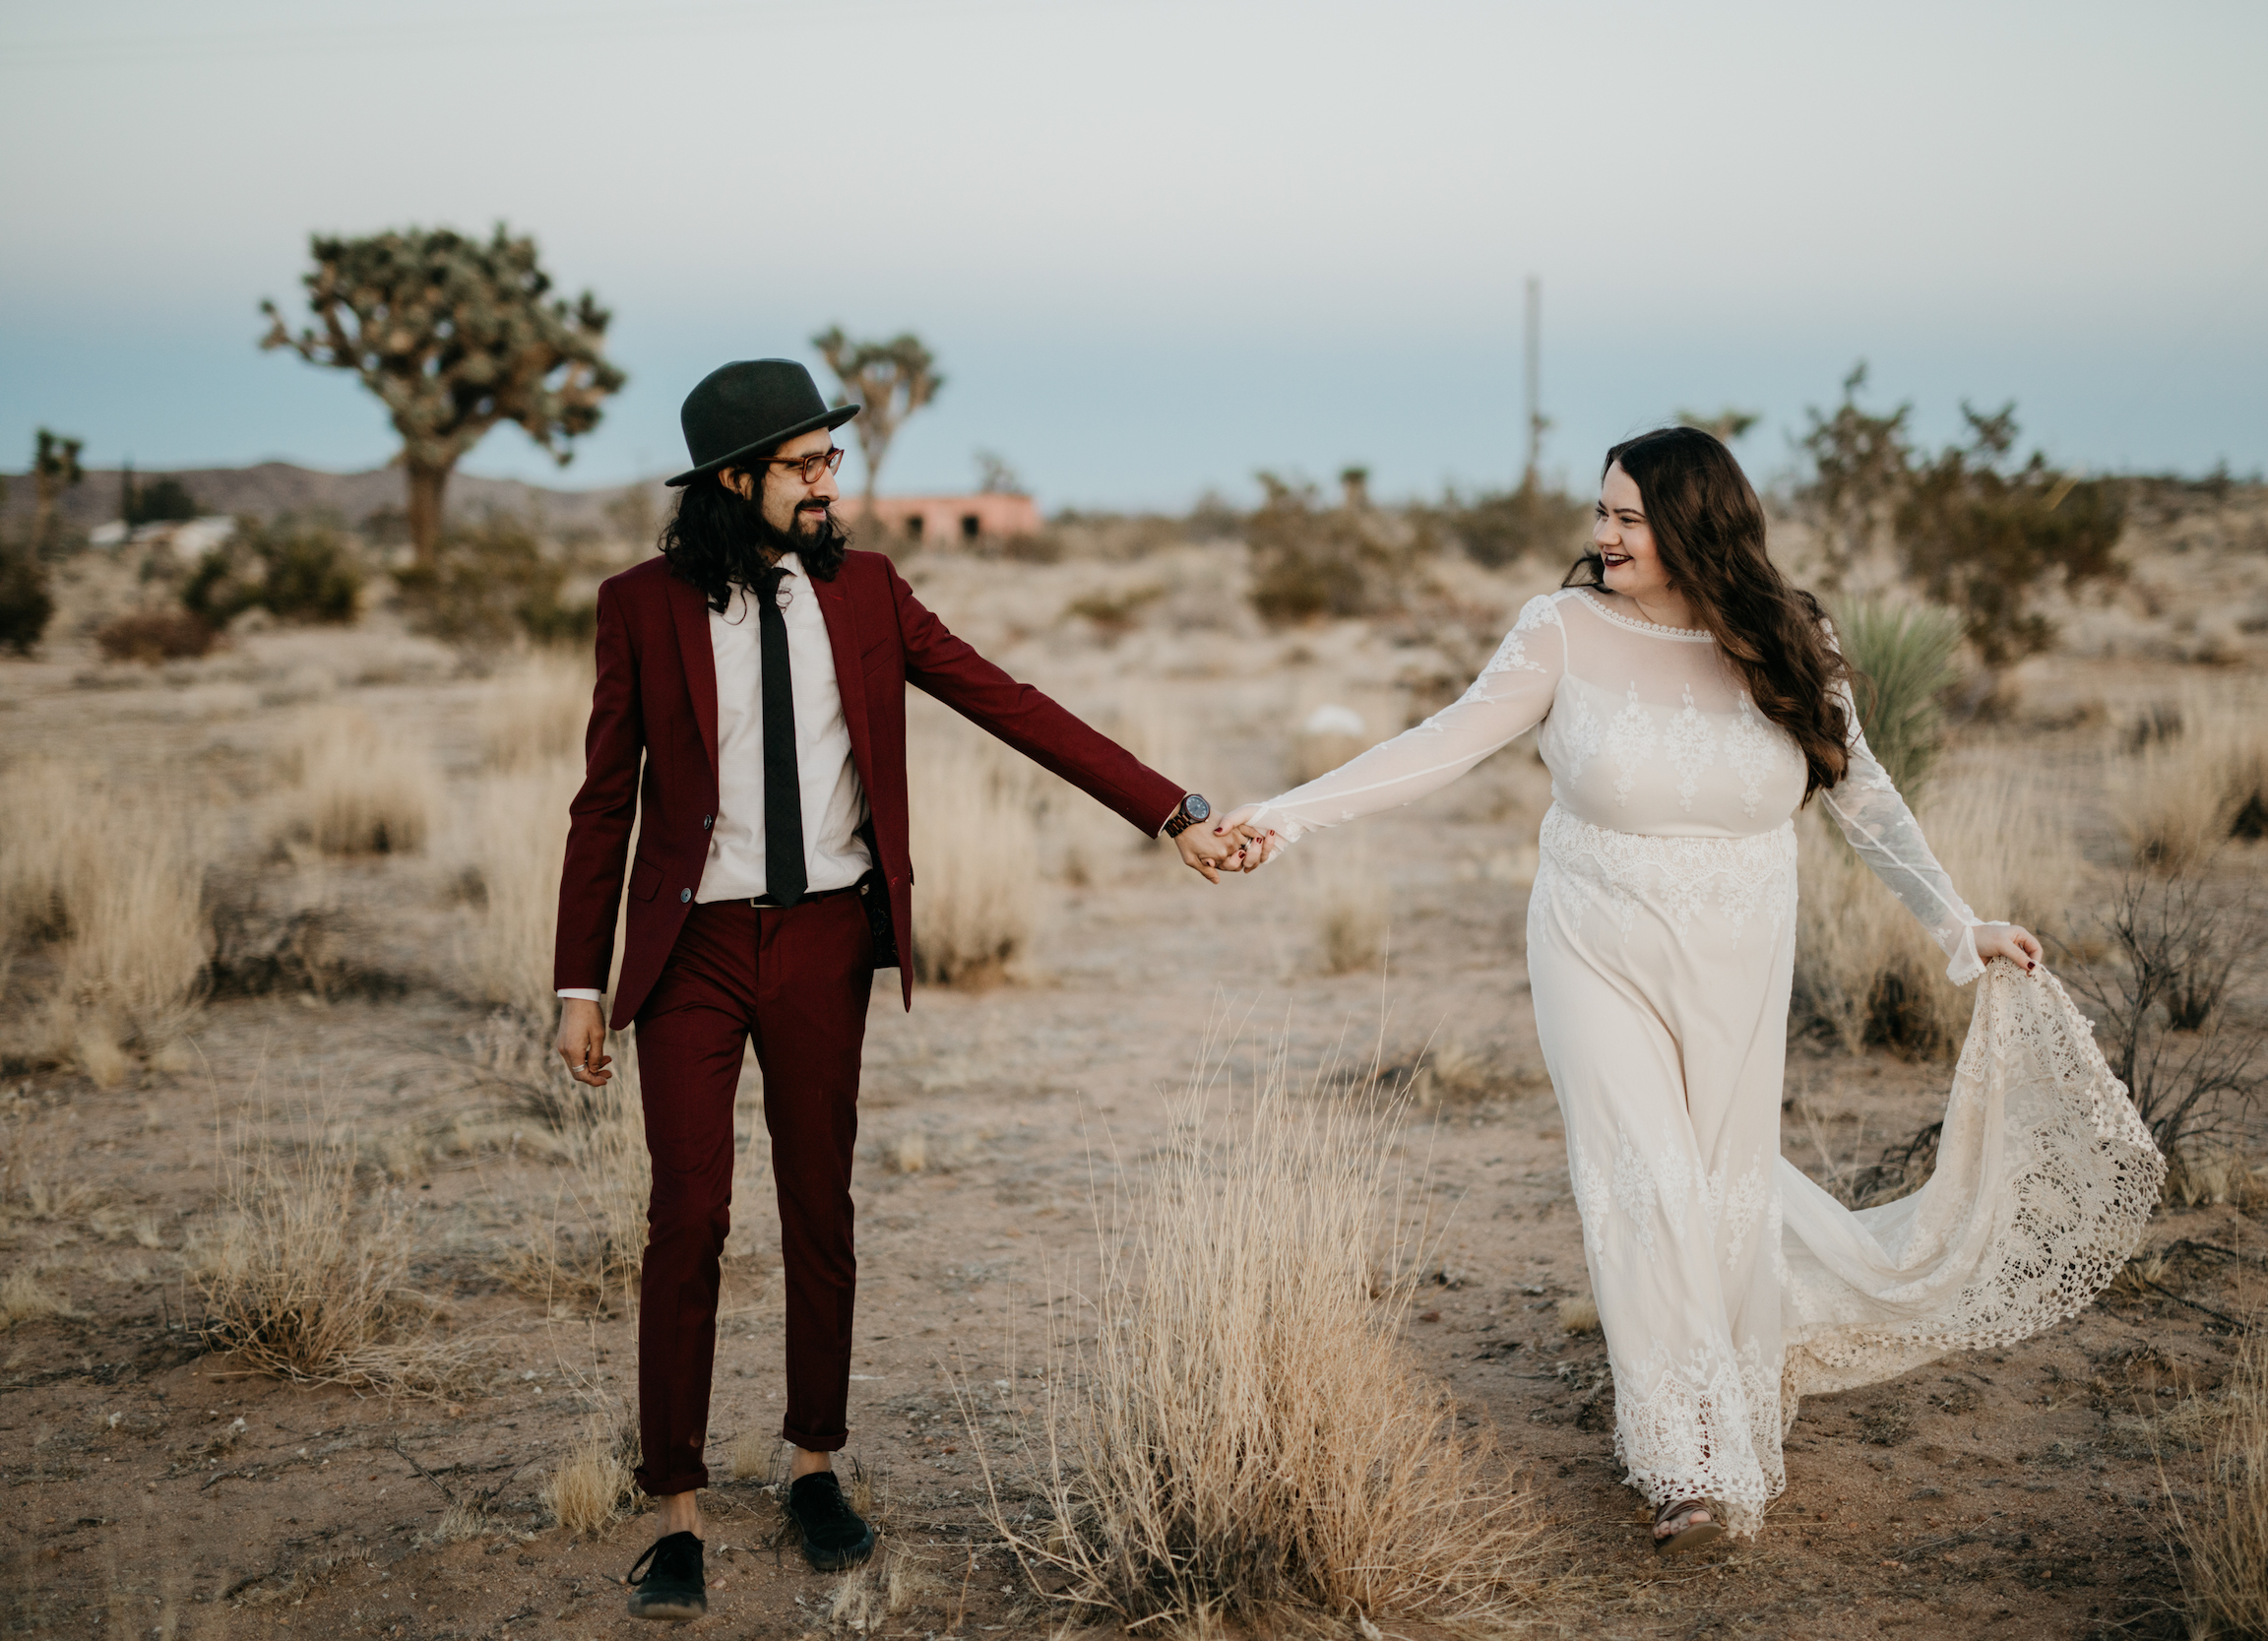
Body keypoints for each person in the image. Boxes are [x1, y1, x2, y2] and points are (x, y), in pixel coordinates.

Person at [1216, 425, 2161, 1553]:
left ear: (1694, 525)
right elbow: (1442, 743)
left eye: (1628, 516)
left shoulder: (1784, 638)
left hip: (1738, 949)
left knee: (1720, 1186)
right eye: (1600, 513)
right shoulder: (1560, 629)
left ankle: (1730, 1389)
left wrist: (1960, 924)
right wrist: (1283, 815)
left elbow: (1864, 798)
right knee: (1642, 1181)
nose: (1602, 534)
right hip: (1593, 939)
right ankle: (1685, 1466)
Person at [550, 359, 1250, 1621]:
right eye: (807, 466)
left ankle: (814, 1463)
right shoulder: (639, 606)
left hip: (824, 936)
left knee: (821, 1203)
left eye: (832, 461)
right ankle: (677, 1510)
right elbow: (606, 798)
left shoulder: (866, 591)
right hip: (693, 950)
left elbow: (1008, 702)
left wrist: (1171, 808)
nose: (832, 483)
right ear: (734, 480)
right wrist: (576, 982)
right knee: (688, 1215)